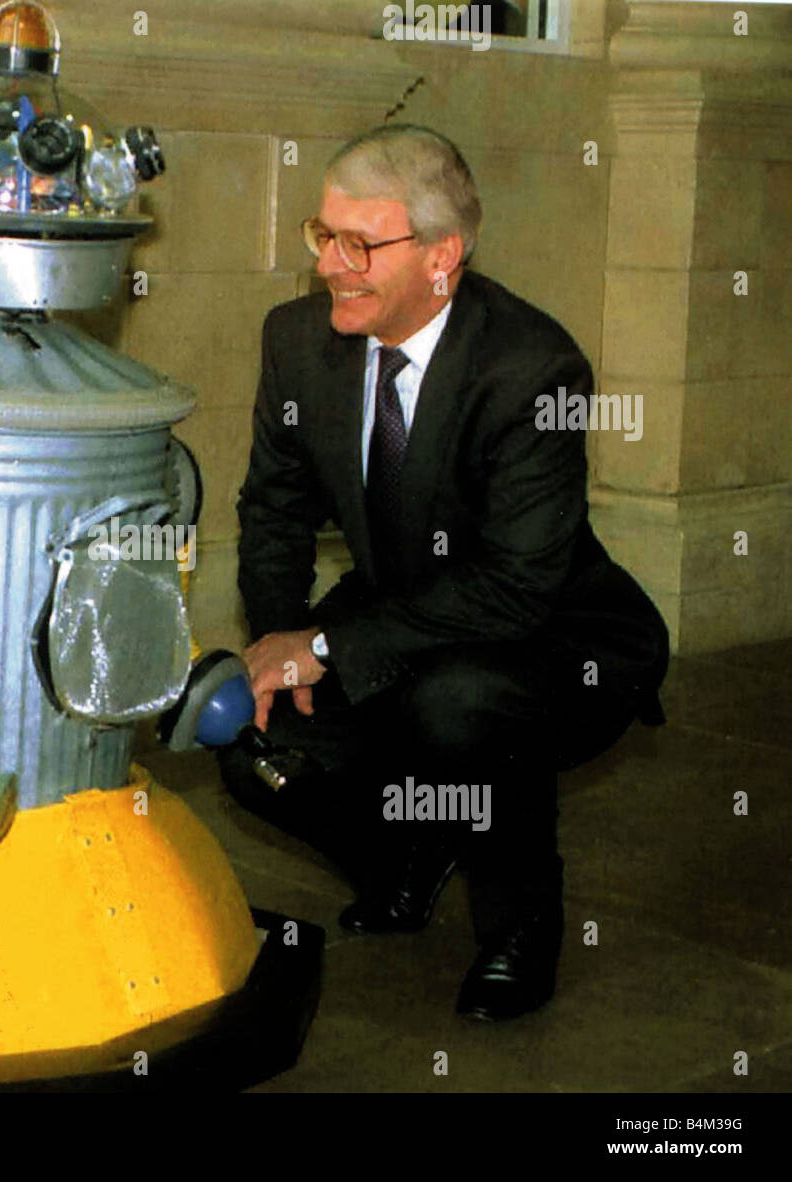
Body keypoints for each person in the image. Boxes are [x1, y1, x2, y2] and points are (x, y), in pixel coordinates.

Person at [219, 123, 670, 1021]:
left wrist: (323, 643)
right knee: (242, 731)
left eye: (360, 244)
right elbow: (274, 508)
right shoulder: (299, 341)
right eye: (322, 236)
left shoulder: (532, 367)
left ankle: (521, 923)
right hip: (398, 610)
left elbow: (515, 583)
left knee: (456, 707)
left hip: (556, 636)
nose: (332, 266)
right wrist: (278, 639)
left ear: (442, 257)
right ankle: (409, 854)